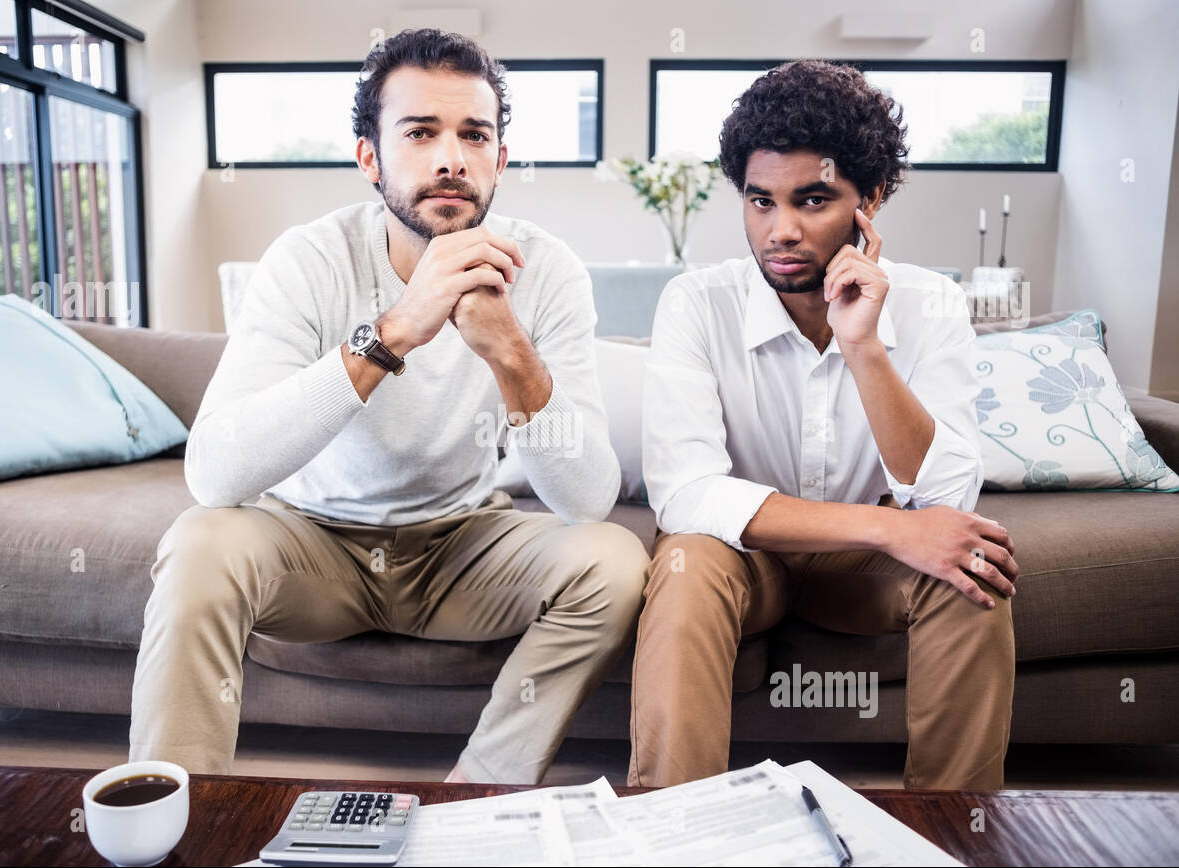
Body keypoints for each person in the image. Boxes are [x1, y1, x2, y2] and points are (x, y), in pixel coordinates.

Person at [129, 28, 648, 785]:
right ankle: (177, 815)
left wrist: (510, 352)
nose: (451, 158)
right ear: (369, 157)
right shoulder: (308, 259)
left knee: (612, 561)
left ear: (500, 161)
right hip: (311, 546)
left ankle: (477, 795)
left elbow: (588, 498)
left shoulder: (547, 268)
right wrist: (396, 330)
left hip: (461, 545)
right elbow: (215, 474)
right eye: (419, 133)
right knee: (199, 541)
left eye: (475, 135)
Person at [629, 59, 1017, 791]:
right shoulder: (695, 303)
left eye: (812, 200)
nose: (781, 231)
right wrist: (890, 528)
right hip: (747, 556)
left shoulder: (930, 305)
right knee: (683, 562)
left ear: (869, 200)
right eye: (760, 202)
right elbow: (685, 494)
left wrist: (864, 345)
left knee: (973, 570)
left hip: (861, 574)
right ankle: (671, 831)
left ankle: (953, 833)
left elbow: (946, 494)